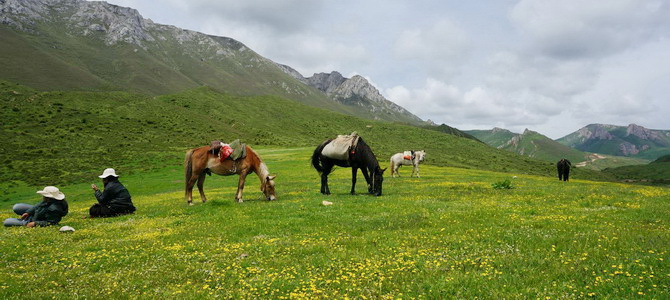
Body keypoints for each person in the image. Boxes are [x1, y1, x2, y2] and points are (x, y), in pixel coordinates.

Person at [4, 186, 69, 227]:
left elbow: (52, 222)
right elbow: (39, 205)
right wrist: (28, 212)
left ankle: (24, 222)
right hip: (38, 213)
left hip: (37, 219)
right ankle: (27, 217)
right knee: (17, 207)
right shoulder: (50, 200)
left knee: (7, 221)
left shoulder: (54, 209)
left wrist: (35, 223)